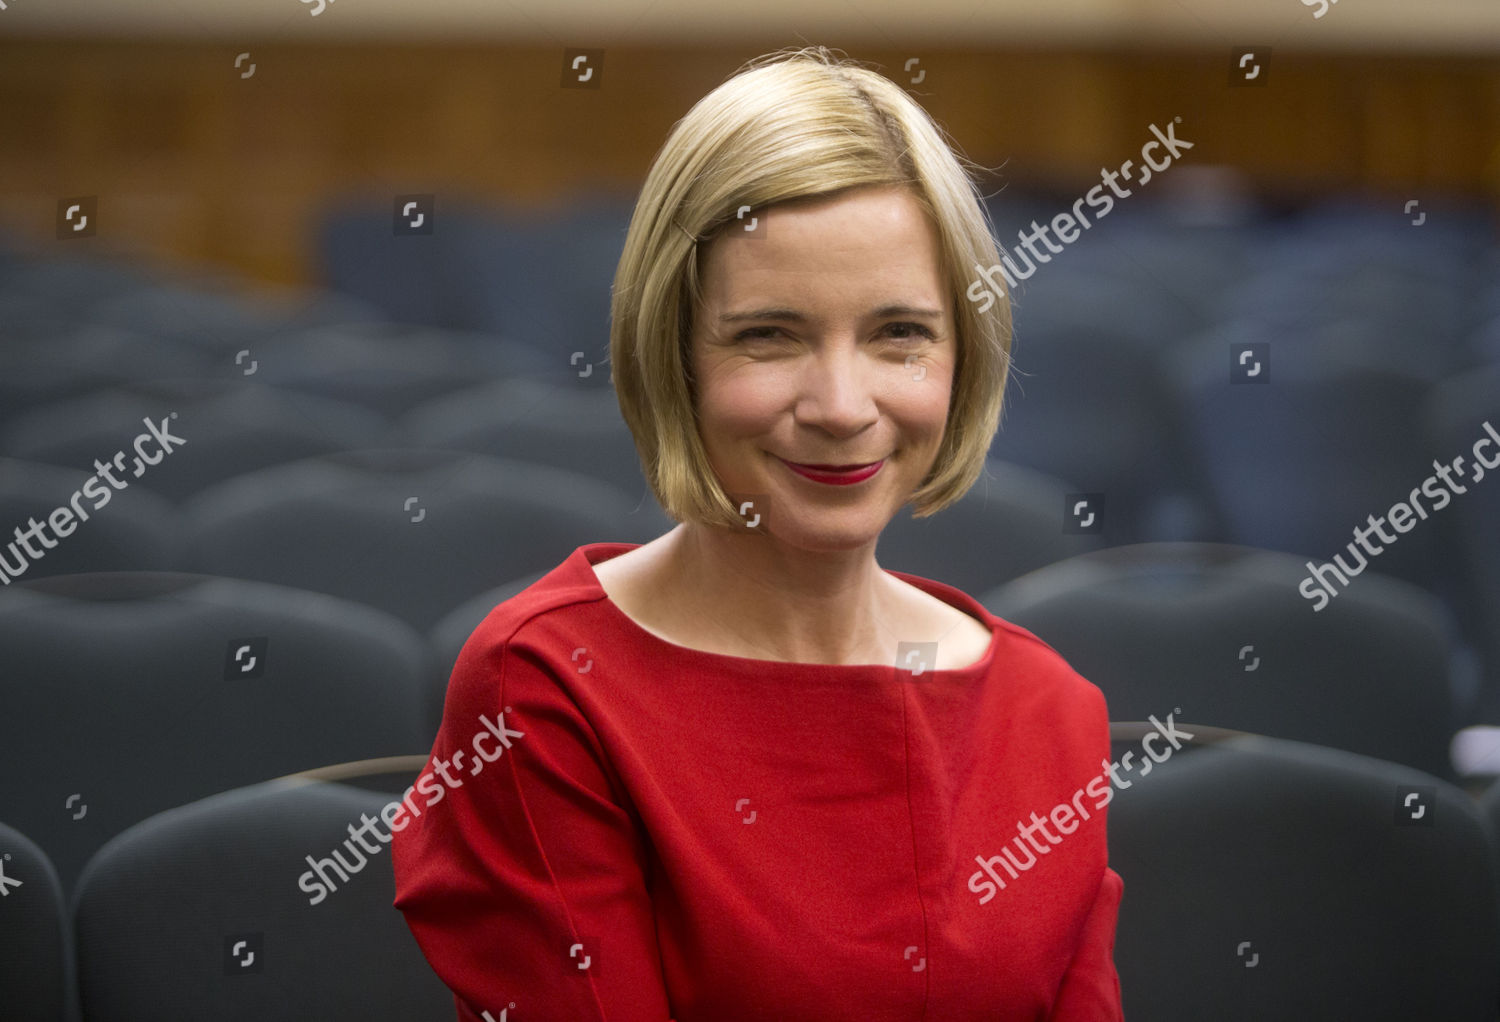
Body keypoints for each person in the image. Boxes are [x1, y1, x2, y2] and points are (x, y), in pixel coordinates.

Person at [391, 45, 1124, 1021]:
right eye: (769, 334)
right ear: (674, 352)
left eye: (899, 332)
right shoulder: (548, 685)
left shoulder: (1047, 710)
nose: (839, 403)